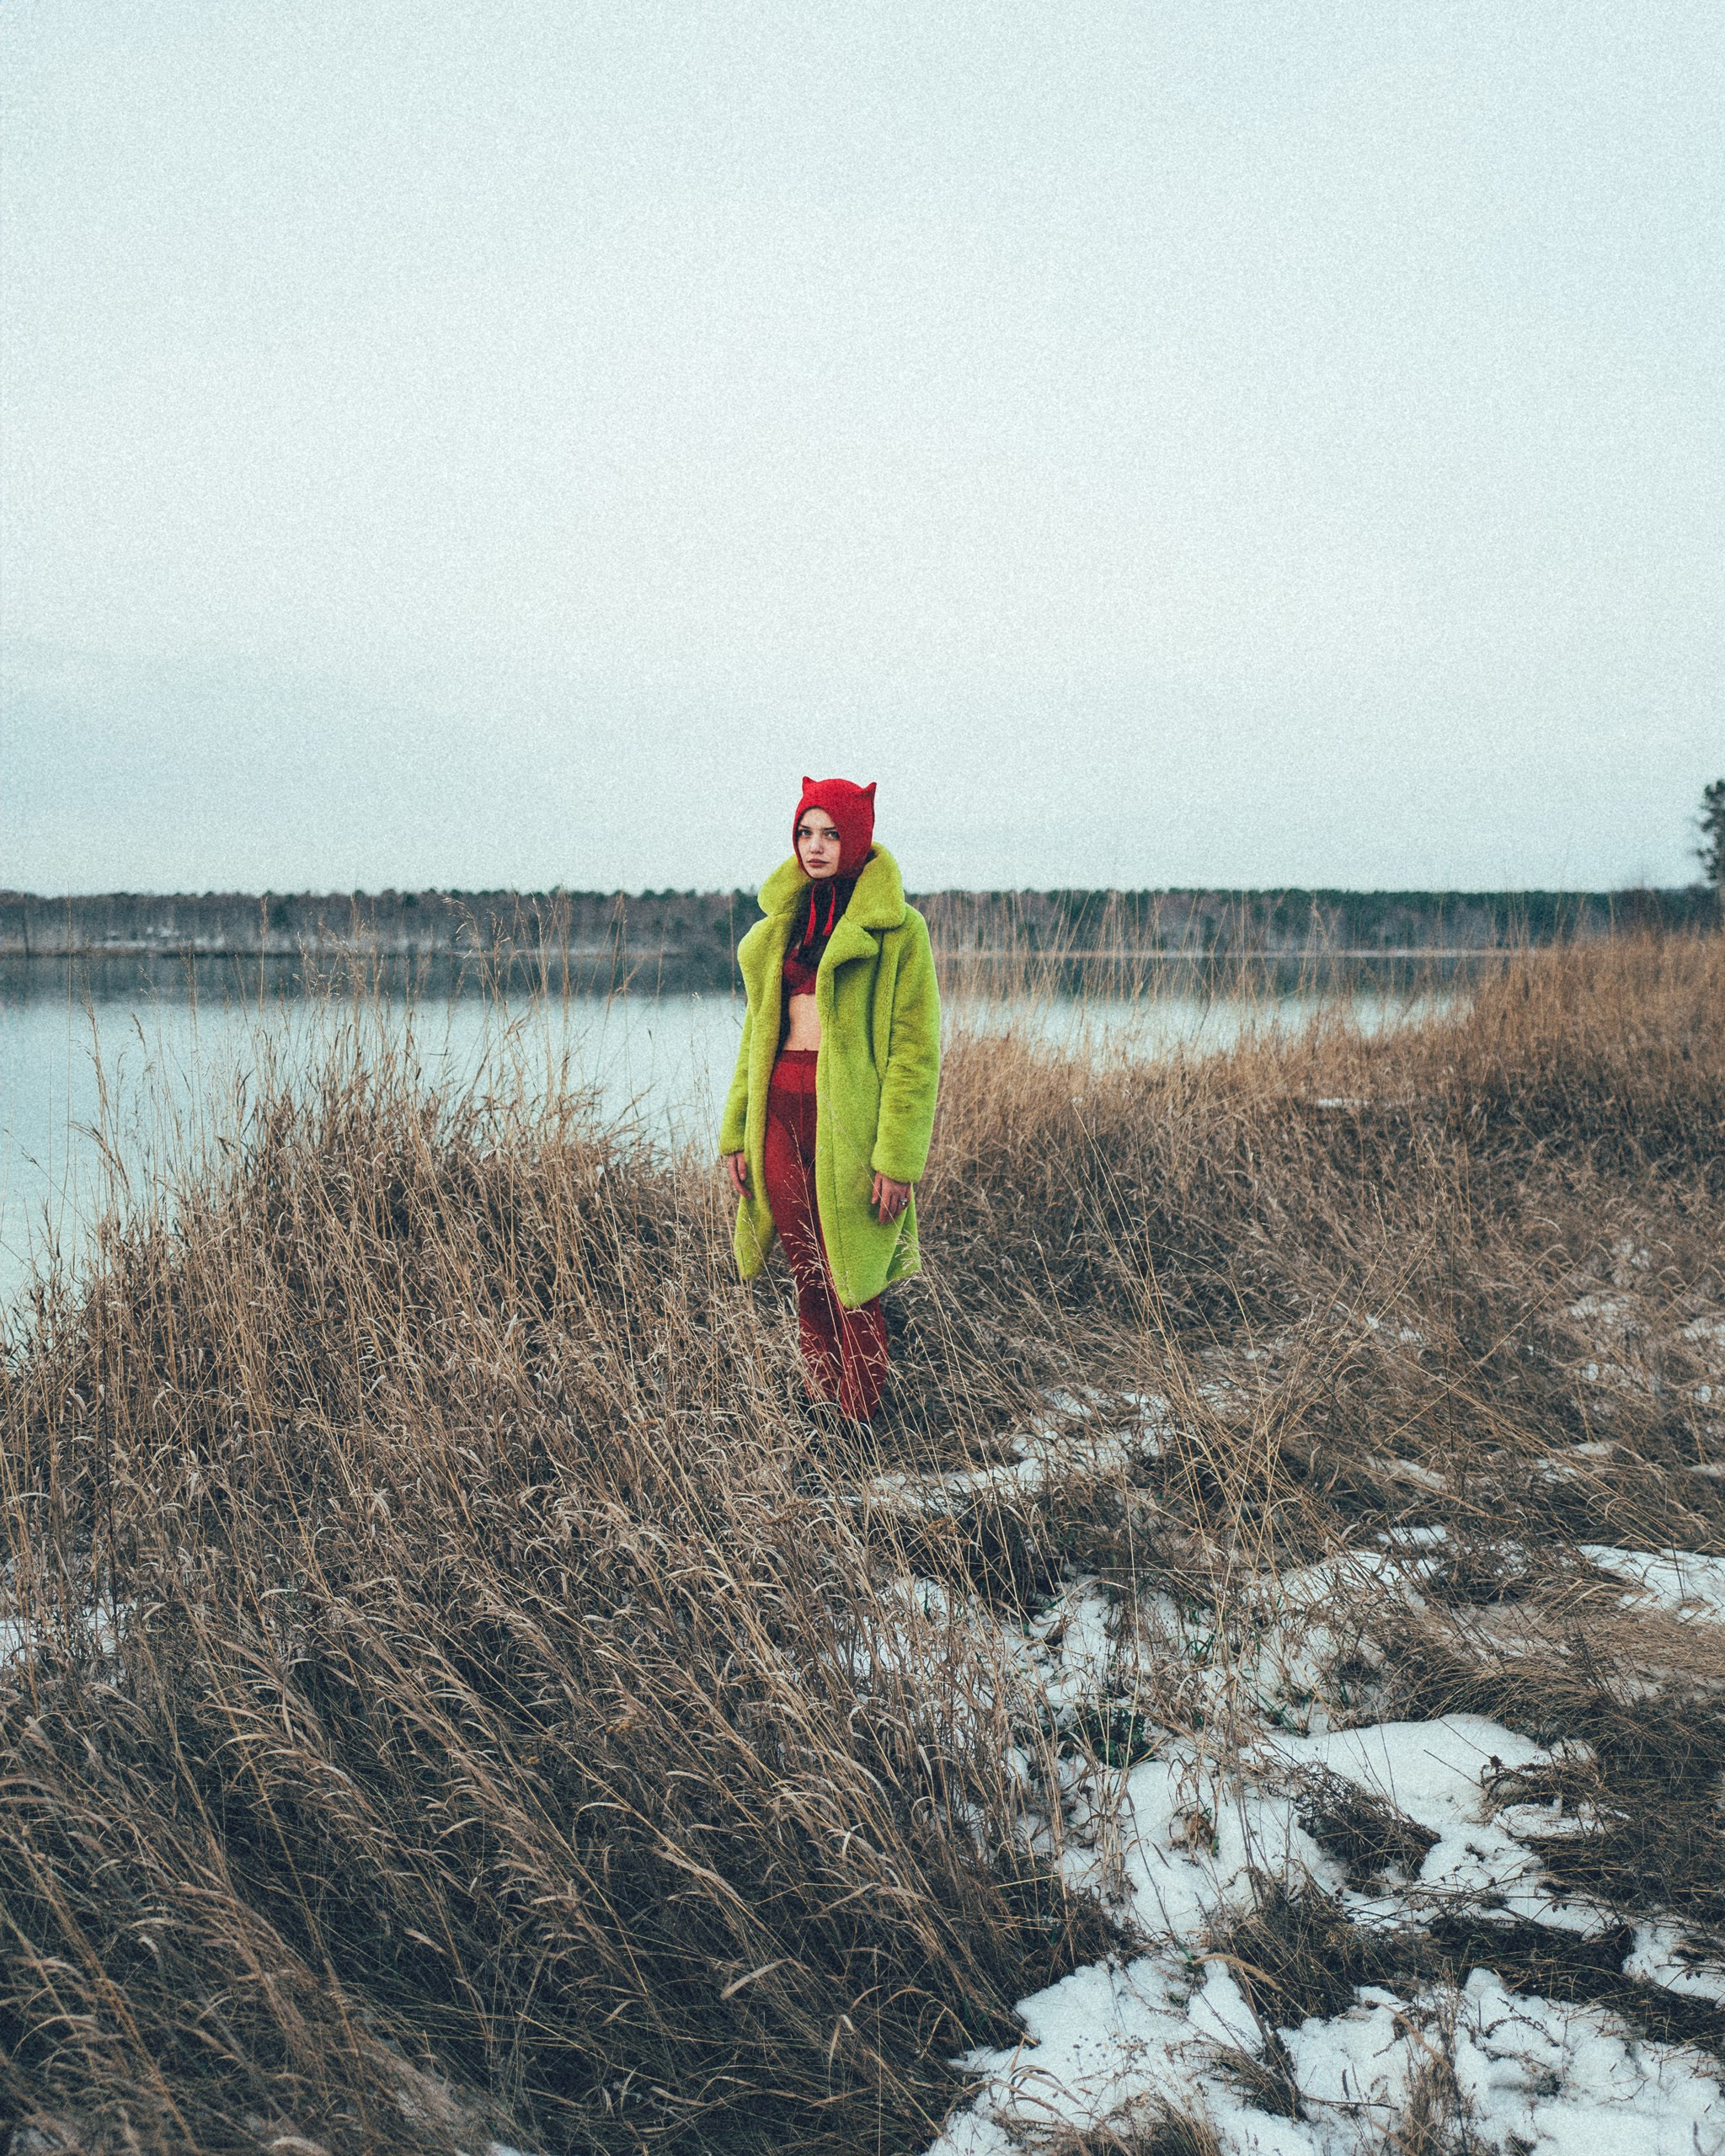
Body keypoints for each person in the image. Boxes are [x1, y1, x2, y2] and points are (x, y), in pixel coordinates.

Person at [720, 777, 941, 1421]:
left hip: (850, 1124)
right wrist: (736, 1133)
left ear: (858, 838)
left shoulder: (901, 932)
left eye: (831, 833)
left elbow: (915, 1054)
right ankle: (824, 1414)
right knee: (806, 1274)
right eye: (804, 833)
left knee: (854, 1279)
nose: (814, 847)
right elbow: (754, 1042)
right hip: (779, 1117)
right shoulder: (779, 930)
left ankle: (859, 1424)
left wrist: (897, 1159)